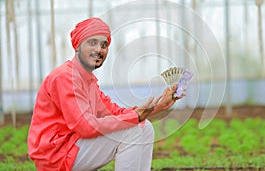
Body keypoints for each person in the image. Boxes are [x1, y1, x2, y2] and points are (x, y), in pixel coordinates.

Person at [27, 17, 184, 171]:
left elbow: (115, 112)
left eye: (104, 45)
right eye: (92, 43)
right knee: (133, 131)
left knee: (144, 126)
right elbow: (85, 127)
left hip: (73, 146)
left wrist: (159, 106)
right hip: (56, 155)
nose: (99, 50)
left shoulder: (87, 80)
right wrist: (135, 117)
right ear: (77, 46)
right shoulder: (65, 77)